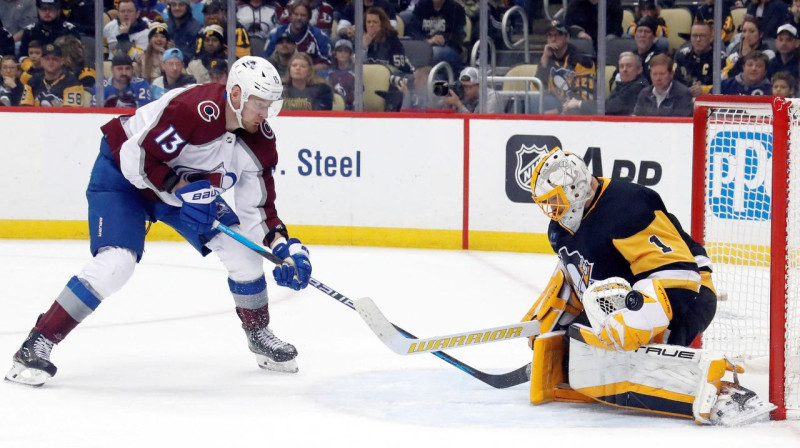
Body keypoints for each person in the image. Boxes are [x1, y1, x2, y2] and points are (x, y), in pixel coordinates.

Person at [4, 55, 312, 388]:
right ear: (236, 95)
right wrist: (181, 190)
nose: (265, 115)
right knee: (115, 265)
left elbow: (258, 209)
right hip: (123, 177)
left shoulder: (260, 141)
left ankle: (258, 333)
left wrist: (286, 246)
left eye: (271, 106)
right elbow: (135, 158)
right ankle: (36, 343)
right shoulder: (194, 108)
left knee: (245, 254)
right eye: (259, 105)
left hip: (182, 192)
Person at [521, 146, 775, 425]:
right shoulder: (559, 229)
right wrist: (550, 322)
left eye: (555, 200)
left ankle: (714, 387)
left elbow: (681, 274)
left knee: (619, 353)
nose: (551, 210)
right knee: (583, 348)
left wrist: (639, 320)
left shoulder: (627, 206)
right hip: (628, 298)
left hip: (687, 296)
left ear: (577, 188)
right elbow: (574, 276)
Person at [535, 20, 597, 114]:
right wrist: (544, 59)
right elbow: (536, 89)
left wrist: (559, 109)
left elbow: (583, 95)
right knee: (530, 101)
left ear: (567, 37)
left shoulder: (581, 60)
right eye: (550, 35)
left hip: (574, 108)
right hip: (554, 103)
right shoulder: (547, 57)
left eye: (557, 35)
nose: (553, 39)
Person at [262, 1, 331, 71]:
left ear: (309, 17)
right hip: (280, 73)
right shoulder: (276, 33)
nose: (299, 18)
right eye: (296, 14)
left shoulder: (319, 35)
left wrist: (302, 70)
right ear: (290, 16)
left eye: (303, 15)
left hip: (309, 77)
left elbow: (326, 64)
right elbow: (265, 60)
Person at [19, 41, 87, 106]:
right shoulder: (32, 82)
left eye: (55, 59)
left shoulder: (72, 82)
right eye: (47, 59)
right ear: (41, 60)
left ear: (62, 61)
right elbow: (25, 109)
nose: (51, 62)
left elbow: (71, 113)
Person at [407, 0, 465, 72]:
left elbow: (458, 36)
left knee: (432, 53)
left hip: (449, 47)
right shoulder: (421, 6)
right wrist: (427, 41)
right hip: (425, 45)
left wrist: (444, 40)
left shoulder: (456, 8)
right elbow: (413, 31)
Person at [674, 21, 722, 98]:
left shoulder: (719, 58)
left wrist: (704, 90)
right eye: (695, 35)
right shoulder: (681, 55)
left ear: (711, 38)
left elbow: (724, 85)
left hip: (709, 99)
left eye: (702, 36)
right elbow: (673, 80)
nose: (698, 39)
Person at [364, 6, 413, 75]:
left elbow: (399, 69)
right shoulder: (361, 40)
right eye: (368, 22)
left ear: (382, 24)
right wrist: (363, 48)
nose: (371, 25)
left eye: (375, 22)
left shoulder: (392, 40)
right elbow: (355, 67)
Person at [632, 15, 663, 84]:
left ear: (654, 37)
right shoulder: (630, 57)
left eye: (647, 32)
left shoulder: (660, 57)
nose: (642, 35)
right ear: (635, 35)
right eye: (639, 31)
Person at [326, 38, 354, 110]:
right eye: (340, 50)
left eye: (346, 51)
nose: (343, 53)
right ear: (335, 54)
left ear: (350, 55)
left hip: (350, 109)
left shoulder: (355, 74)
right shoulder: (329, 73)